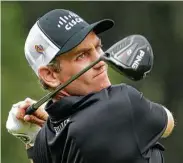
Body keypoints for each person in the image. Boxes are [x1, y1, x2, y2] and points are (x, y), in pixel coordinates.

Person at [6, 9, 175, 163]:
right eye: (82, 55)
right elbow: (168, 122)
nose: (100, 61)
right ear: (50, 75)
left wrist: (33, 139)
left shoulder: (48, 138)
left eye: (98, 47)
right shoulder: (121, 104)